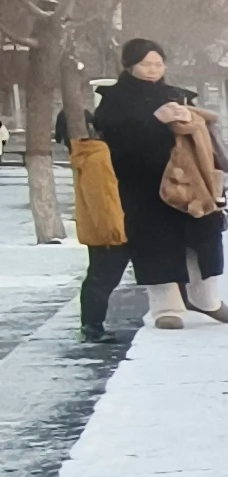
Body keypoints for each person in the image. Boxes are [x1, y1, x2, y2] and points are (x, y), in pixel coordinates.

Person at [91, 42, 228, 329]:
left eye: (158, 64)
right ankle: (166, 308)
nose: (153, 70)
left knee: (203, 235)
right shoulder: (114, 99)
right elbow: (114, 139)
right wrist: (153, 120)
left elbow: (206, 135)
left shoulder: (176, 95)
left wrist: (190, 120)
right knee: (155, 244)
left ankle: (206, 299)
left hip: (191, 180)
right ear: (130, 65)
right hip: (142, 185)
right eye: (147, 64)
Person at [57, 97, 132, 336]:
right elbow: (104, 198)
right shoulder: (97, 156)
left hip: (100, 228)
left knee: (98, 277)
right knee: (103, 278)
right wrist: (114, 231)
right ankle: (92, 326)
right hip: (110, 229)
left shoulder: (85, 155)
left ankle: (91, 324)